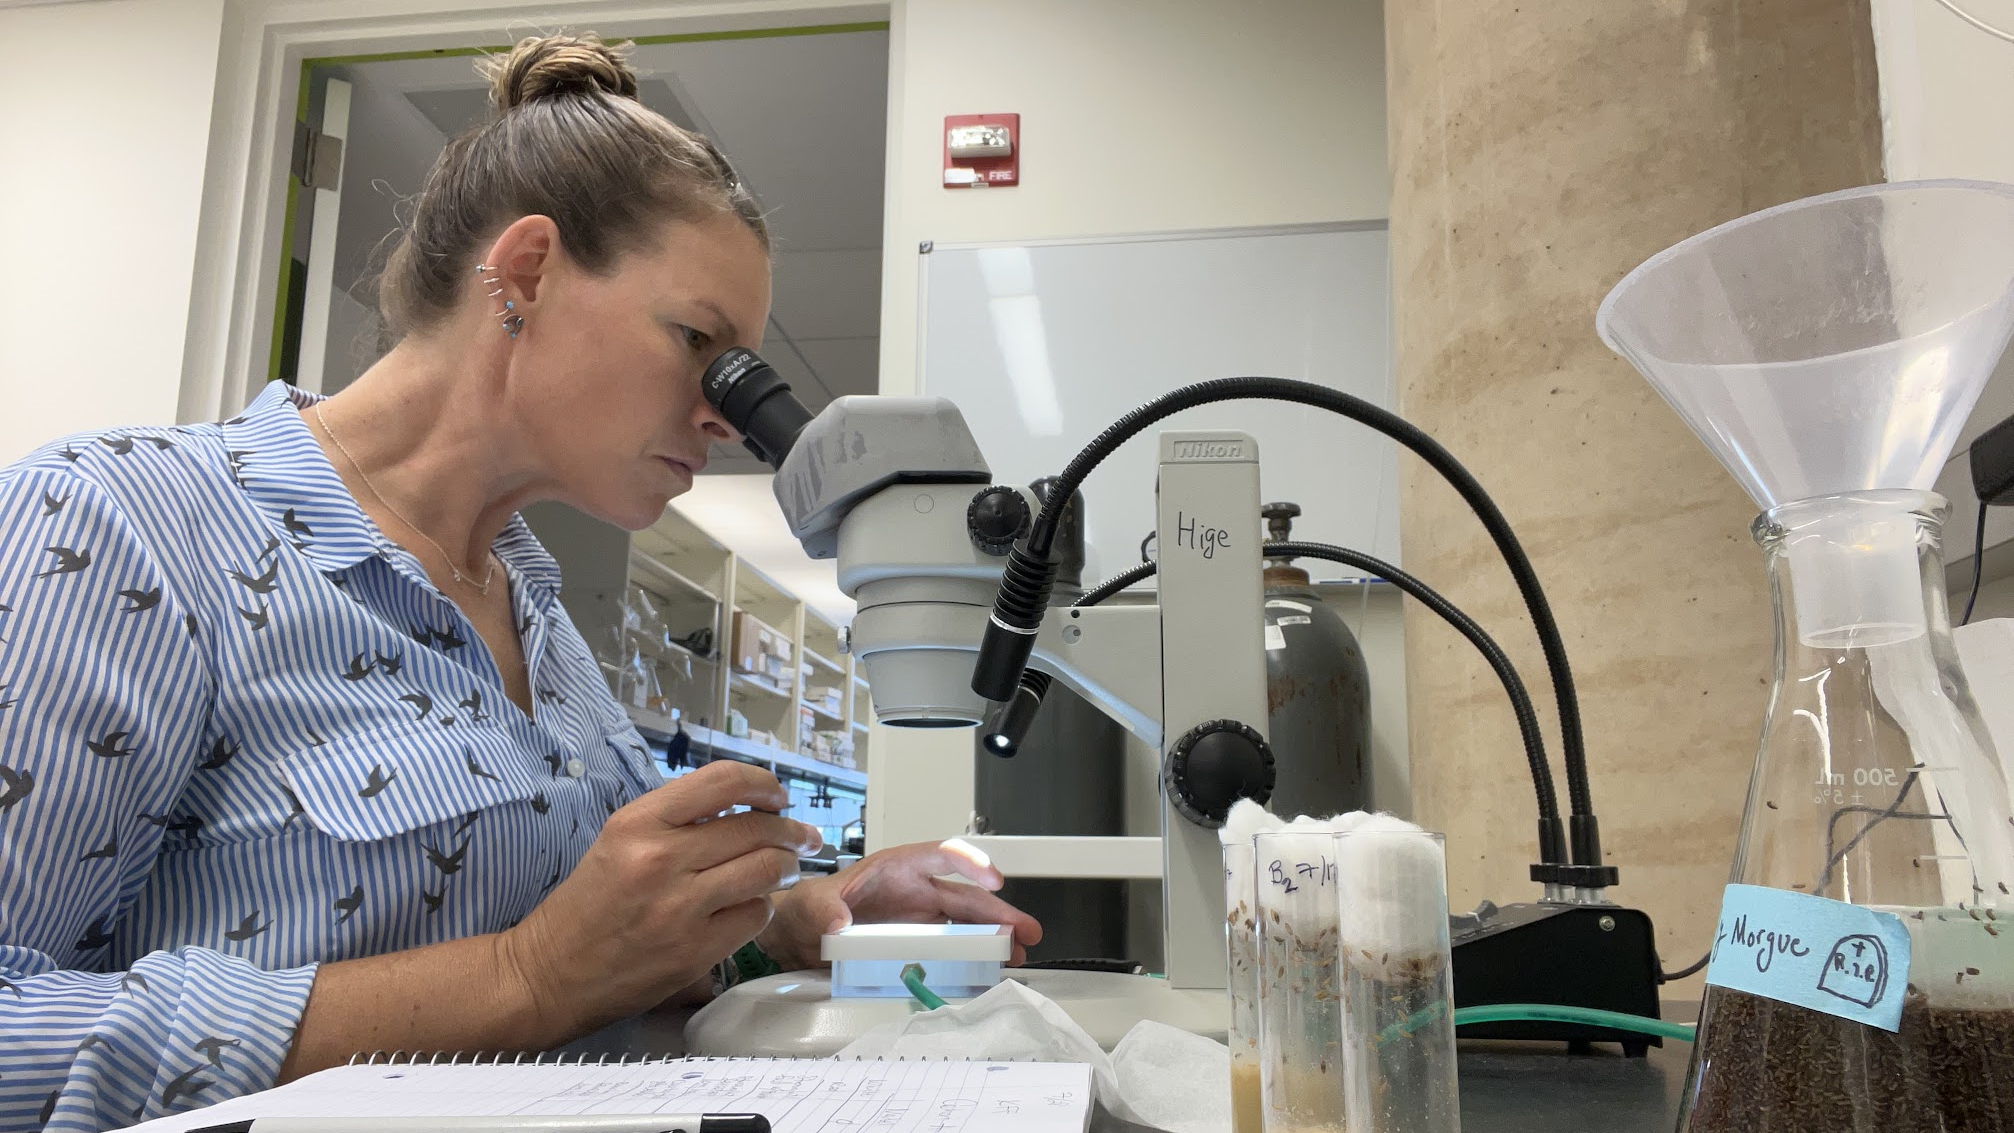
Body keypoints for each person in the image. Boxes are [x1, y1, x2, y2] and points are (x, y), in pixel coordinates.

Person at [0, 33, 1039, 1133]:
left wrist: (784, 917)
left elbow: (615, 953)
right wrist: (526, 977)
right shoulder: (118, 526)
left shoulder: (536, 616)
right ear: (528, 273)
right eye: (699, 341)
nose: (726, 416)